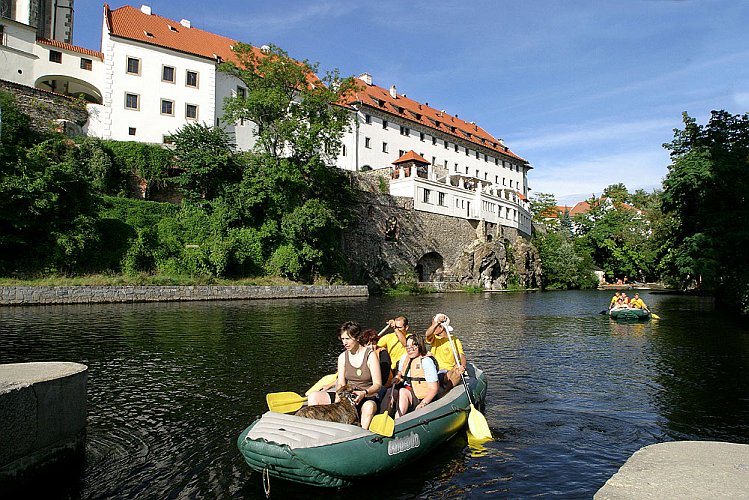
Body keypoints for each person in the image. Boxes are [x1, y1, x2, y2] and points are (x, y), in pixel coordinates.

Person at [307, 321, 382, 430]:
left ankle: (360, 435)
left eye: (348, 339)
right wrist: (338, 400)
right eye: (343, 339)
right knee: (314, 396)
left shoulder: (370, 355)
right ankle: (318, 431)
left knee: (369, 407)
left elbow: (378, 385)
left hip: (366, 396)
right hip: (346, 397)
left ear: (357, 338)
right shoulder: (342, 357)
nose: (345, 343)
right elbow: (341, 383)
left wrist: (364, 393)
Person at [391, 334, 439, 418]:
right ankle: (385, 415)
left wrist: (423, 403)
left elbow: (434, 388)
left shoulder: (426, 362)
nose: (410, 350)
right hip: (410, 393)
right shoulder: (405, 358)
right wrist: (397, 378)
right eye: (408, 347)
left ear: (419, 346)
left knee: (402, 392)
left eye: (413, 346)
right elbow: (400, 373)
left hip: (422, 397)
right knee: (390, 392)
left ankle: (398, 420)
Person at [425, 313, 466, 394]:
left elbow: (461, 355)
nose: (432, 328)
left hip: (451, 369)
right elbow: (427, 334)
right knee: (449, 374)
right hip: (439, 371)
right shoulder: (434, 338)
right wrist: (436, 323)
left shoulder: (454, 339)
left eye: (434, 326)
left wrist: (463, 366)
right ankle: (445, 392)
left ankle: (446, 389)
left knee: (458, 370)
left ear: (441, 328)